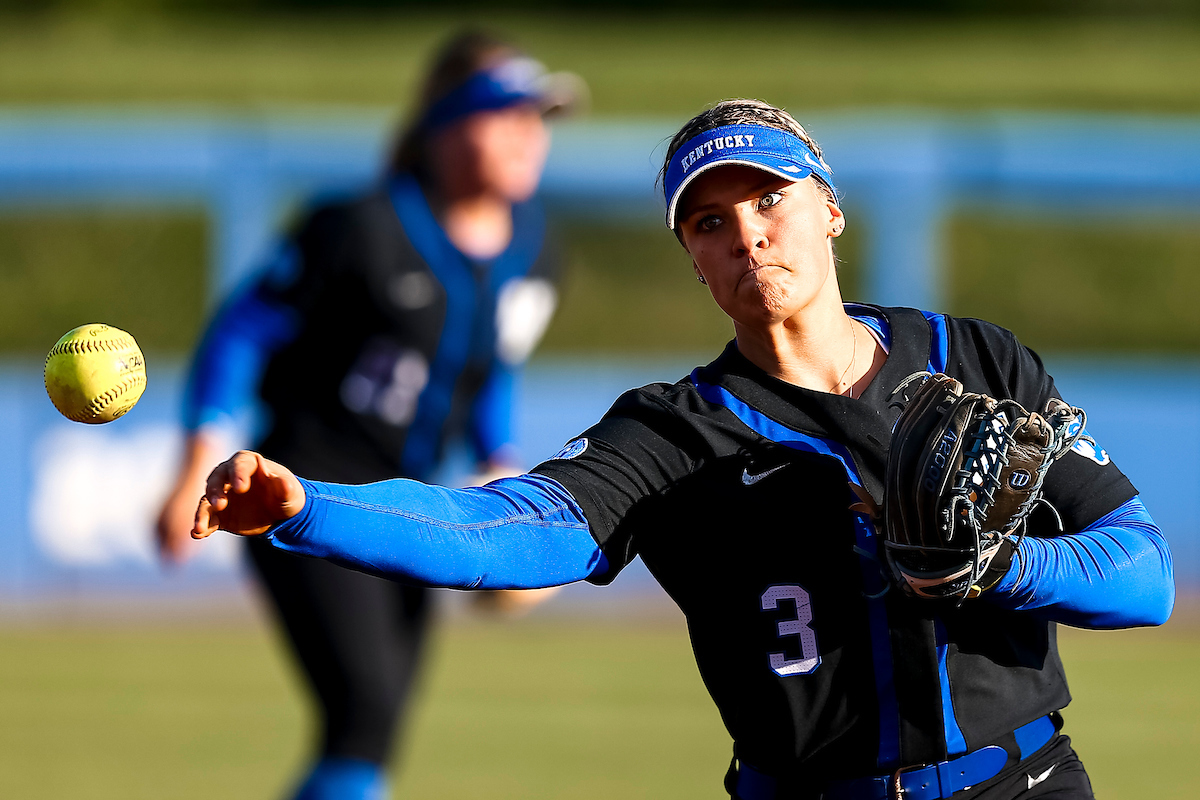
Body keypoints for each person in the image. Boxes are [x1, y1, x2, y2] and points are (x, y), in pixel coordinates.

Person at [191, 99, 1174, 800]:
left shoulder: (976, 358)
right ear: (694, 258)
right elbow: (507, 527)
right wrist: (309, 505)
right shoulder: (675, 430)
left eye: (770, 200)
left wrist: (1001, 566)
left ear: (830, 208)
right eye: (711, 220)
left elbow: (1145, 574)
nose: (748, 234)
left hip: (1028, 781)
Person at [156, 31, 581, 800]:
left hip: (411, 504)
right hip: (301, 487)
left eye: (541, 117)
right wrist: (197, 453)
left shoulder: (536, 245)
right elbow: (242, 330)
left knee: (372, 736)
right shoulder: (359, 227)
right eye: (507, 113)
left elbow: (493, 366)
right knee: (365, 711)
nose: (530, 134)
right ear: (445, 125)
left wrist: (499, 461)